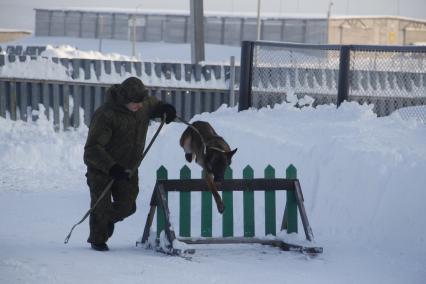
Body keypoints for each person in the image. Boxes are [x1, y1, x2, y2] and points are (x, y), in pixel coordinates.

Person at [83, 77, 176, 251]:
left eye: (141, 102)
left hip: (128, 167)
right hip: (102, 168)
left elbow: (154, 105)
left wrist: (165, 109)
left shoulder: (142, 105)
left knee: (128, 206)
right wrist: (111, 167)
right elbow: (92, 149)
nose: (140, 106)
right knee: (101, 205)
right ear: (124, 100)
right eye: (135, 103)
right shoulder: (106, 115)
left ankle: (107, 220)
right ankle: (98, 239)